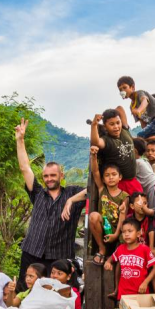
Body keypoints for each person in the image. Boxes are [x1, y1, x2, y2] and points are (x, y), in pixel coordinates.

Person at [15, 118, 86, 292]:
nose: (49, 179)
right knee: (26, 292)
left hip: (59, 257)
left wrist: (70, 201)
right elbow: (25, 167)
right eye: (46, 176)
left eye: (53, 175)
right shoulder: (38, 193)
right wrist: (20, 140)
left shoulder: (71, 193)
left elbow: (92, 189)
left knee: (60, 295)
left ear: (61, 175)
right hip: (33, 252)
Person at [88, 146, 129, 263]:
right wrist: (94, 156)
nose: (110, 177)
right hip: (103, 228)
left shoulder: (124, 196)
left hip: (117, 230)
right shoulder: (102, 189)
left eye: (114, 174)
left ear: (120, 177)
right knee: (93, 216)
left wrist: (116, 234)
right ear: (103, 179)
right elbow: (95, 171)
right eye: (107, 175)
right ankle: (102, 248)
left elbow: (123, 216)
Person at [104, 217, 155, 301]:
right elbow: (110, 259)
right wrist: (107, 263)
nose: (126, 234)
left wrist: (145, 283)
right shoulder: (120, 249)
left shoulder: (144, 249)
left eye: (130, 231)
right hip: (123, 295)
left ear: (138, 233)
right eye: (123, 232)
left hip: (140, 294)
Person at [91, 109, 142, 195]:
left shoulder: (125, 131)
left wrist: (112, 113)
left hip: (133, 181)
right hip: (119, 185)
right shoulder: (107, 141)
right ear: (105, 126)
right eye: (111, 124)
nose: (116, 127)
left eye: (118, 123)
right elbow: (96, 142)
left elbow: (120, 108)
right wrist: (94, 125)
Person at [132, 137, 155, 209]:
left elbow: (129, 174)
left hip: (152, 187)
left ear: (134, 151)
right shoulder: (143, 160)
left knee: (154, 208)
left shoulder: (137, 162)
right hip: (151, 187)